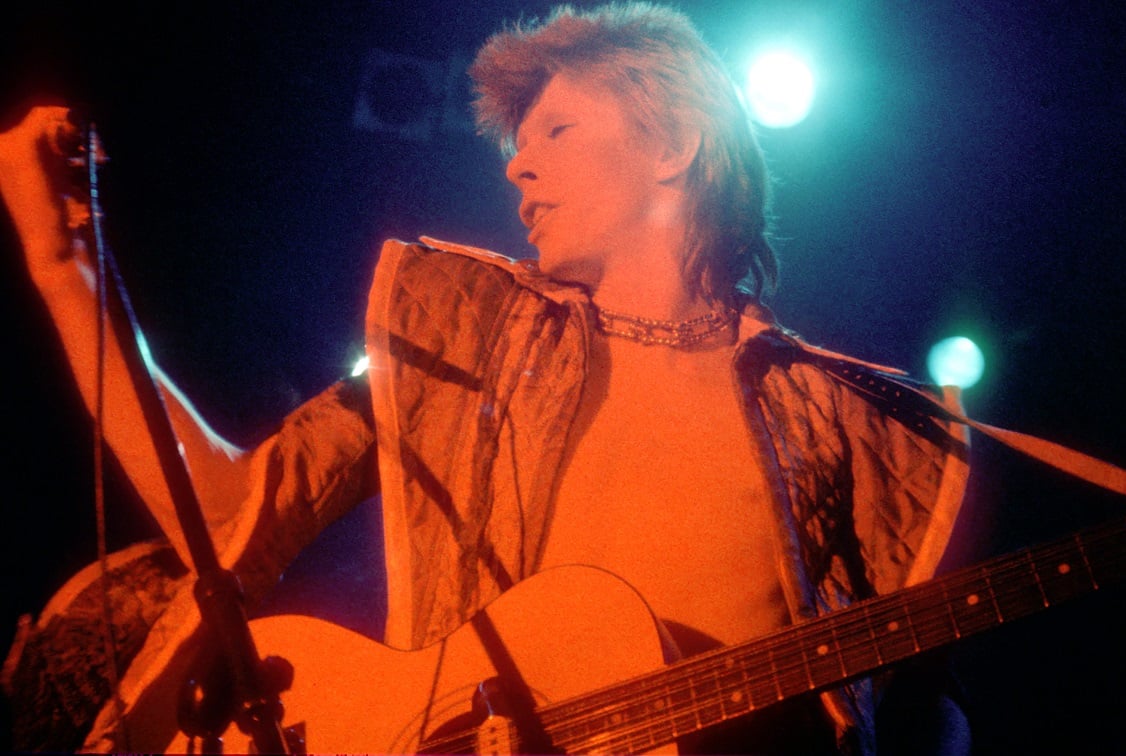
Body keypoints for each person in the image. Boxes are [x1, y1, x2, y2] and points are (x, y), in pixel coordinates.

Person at [1, 3, 972, 753]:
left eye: (555, 131)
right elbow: (226, 515)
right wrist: (65, 273)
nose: (515, 167)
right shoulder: (459, 348)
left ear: (673, 146)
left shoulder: (855, 418)